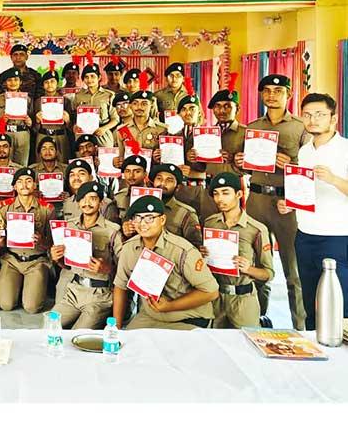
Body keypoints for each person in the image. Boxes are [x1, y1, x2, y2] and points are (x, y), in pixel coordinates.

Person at [234, 74, 308, 329]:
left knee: (293, 269)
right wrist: (239, 162)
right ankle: (257, 318)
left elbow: (310, 169)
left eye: (278, 91)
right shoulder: (253, 127)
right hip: (256, 200)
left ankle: (301, 326)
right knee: (254, 264)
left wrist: (292, 164)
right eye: (267, 91)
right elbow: (244, 168)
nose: (272, 95)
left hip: (286, 203)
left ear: (288, 94)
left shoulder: (300, 128)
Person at [113, 195, 219, 329]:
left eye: (149, 218)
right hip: (151, 316)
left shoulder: (182, 251)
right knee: (126, 345)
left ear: (162, 220)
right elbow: (120, 286)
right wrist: (115, 328)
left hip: (187, 317)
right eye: (137, 218)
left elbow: (211, 292)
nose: (142, 223)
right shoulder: (129, 248)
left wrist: (170, 306)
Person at [294, 93, 348, 330]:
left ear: (333, 118)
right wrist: (291, 202)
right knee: (310, 301)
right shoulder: (305, 151)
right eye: (307, 114)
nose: (313, 119)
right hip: (305, 233)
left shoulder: (345, 149)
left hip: (336, 235)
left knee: (339, 305)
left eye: (320, 114)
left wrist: (334, 179)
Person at [202, 172, 274, 329]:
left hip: (244, 299)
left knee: (247, 346)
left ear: (239, 194)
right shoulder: (210, 223)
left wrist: (249, 269)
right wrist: (202, 255)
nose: (220, 199)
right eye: (216, 194)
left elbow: (269, 274)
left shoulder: (256, 229)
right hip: (215, 297)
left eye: (226, 193)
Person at [50, 181, 122, 329]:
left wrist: (106, 269)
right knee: (49, 326)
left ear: (101, 203)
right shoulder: (69, 226)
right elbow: (67, 265)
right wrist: (57, 259)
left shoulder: (112, 231)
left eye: (93, 198)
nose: (87, 203)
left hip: (99, 295)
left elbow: (124, 268)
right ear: (77, 202)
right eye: (83, 199)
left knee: (77, 334)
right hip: (74, 290)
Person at [186, 77, 246, 220]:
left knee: (234, 226)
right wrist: (193, 159)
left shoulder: (245, 132)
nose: (222, 110)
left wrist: (234, 160)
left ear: (237, 108)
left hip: (233, 189)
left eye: (227, 106)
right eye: (218, 106)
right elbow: (201, 167)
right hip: (209, 188)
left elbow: (252, 168)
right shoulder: (205, 133)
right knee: (210, 224)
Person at [0, 167, 52, 313]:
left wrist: (41, 241)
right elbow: (1, 243)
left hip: (36, 261)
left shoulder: (47, 209)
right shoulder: (4, 207)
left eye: (28, 181)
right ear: (14, 186)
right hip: (12, 260)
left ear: (35, 185)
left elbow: (52, 244)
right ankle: (18, 289)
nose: (24, 185)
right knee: (6, 305)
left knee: (31, 308)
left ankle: (30, 290)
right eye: (19, 181)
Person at [172, 84, 209, 214]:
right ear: (179, 114)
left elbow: (217, 166)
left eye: (192, 108)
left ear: (199, 111)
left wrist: (193, 173)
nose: (188, 112)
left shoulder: (209, 135)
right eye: (184, 109)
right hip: (179, 188)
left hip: (201, 189)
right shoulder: (173, 137)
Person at [0, 67, 34, 165]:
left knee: (22, 167)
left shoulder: (27, 100)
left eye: (16, 80)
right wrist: (1, 123)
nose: (13, 82)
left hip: (22, 135)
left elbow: (34, 120)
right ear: (5, 83)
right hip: (5, 133)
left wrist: (30, 122)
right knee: (4, 165)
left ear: (20, 82)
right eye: (9, 80)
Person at [71, 53, 119, 147]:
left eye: (92, 76)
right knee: (83, 159)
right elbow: (74, 116)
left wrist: (104, 129)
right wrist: (74, 126)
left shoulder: (109, 95)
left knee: (105, 159)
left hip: (102, 133)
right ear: (83, 79)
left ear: (99, 77)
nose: (89, 79)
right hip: (83, 134)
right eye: (86, 77)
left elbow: (115, 119)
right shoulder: (78, 96)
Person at [150, 163, 202, 246]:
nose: (163, 183)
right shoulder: (139, 206)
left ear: (177, 187)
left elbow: (194, 246)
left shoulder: (186, 213)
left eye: (169, 180)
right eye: (159, 178)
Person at [115, 86, 166, 166]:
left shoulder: (163, 129)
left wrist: (158, 158)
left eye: (144, 104)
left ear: (151, 105)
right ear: (130, 106)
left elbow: (168, 159)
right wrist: (117, 163)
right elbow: (121, 158)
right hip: (131, 174)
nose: (139, 107)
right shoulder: (122, 130)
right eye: (135, 103)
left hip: (154, 173)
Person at [105, 154, 149, 239]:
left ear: (145, 174)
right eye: (128, 171)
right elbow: (111, 226)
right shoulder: (118, 197)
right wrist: (122, 229)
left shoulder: (154, 196)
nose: (131, 175)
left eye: (137, 171)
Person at [34, 65, 72, 162]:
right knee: (41, 163)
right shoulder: (38, 101)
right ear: (43, 85)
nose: (49, 84)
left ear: (57, 83)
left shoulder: (65, 101)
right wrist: (37, 121)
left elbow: (72, 126)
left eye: (52, 81)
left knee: (62, 164)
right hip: (43, 135)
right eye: (46, 82)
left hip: (60, 136)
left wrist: (68, 121)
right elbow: (33, 127)